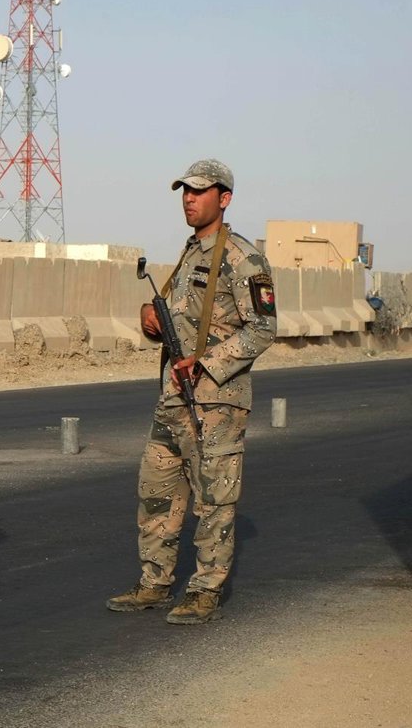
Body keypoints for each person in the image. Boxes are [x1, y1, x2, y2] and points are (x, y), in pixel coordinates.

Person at [106, 159, 276, 625]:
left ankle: (204, 591)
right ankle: (154, 582)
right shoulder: (190, 253)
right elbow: (180, 322)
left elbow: (262, 329)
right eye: (185, 191)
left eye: (200, 191)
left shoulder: (243, 258)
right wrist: (150, 320)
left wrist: (206, 364)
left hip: (216, 401)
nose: (189, 199)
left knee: (214, 498)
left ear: (225, 199)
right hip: (174, 397)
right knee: (157, 490)